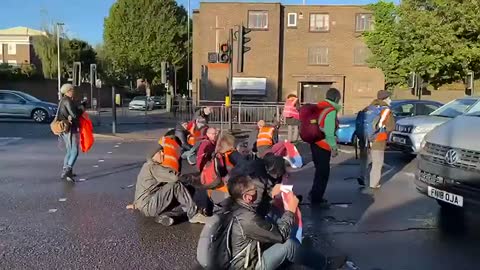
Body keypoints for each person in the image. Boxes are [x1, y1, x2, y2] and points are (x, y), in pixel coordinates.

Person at [223, 175, 327, 270]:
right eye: (255, 190)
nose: (257, 192)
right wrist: (290, 211)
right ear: (247, 197)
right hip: (248, 266)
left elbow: (258, 213)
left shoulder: (235, 207)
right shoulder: (247, 219)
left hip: (248, 254)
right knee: (288, 245)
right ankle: (324, 264)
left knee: (272, 223)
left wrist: (270, 196)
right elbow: (280, 236)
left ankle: (289, 261)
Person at [127, 135, 207, 226]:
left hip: (147, 204)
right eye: (161, 152)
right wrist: (195, 179)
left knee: (187, 189)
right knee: (175, 185)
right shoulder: (153, 167)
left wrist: (136, 204)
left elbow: (140, 188)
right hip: (149, 206)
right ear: (155, 155)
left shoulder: (147, 167)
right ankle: (194, 214)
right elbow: (175, 178)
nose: (163, 154)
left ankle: (165, 215)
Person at [310, 88, 342, 207]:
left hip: (314, 142)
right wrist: (333, 147)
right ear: (336, 98)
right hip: (323, 145)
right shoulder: (330, 110)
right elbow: (329, 131)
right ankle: (317, 199)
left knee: (319, 171)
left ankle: (314, 194)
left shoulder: (319, 106)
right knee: (323, 173)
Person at [358, 90, 395, 191]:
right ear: (385, 99)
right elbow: (390, 127)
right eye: (389, 98)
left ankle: (362, 178)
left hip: (364, 138)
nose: (391, 100)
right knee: (377, 162)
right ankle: (374, 183)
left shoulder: (368, 108)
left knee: (366, 160)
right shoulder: (386, 110)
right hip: (378, 139)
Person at [57, 83, 86, 182]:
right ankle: (68, 170)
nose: (74, 91)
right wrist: (82, 108)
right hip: (71, 129)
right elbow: (74, 115)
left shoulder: (63, 100)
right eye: (73, 90)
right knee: (75, 151)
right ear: (69, 91)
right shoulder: (67, 101)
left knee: (69, 151)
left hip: (65, 129)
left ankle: (65, 170)